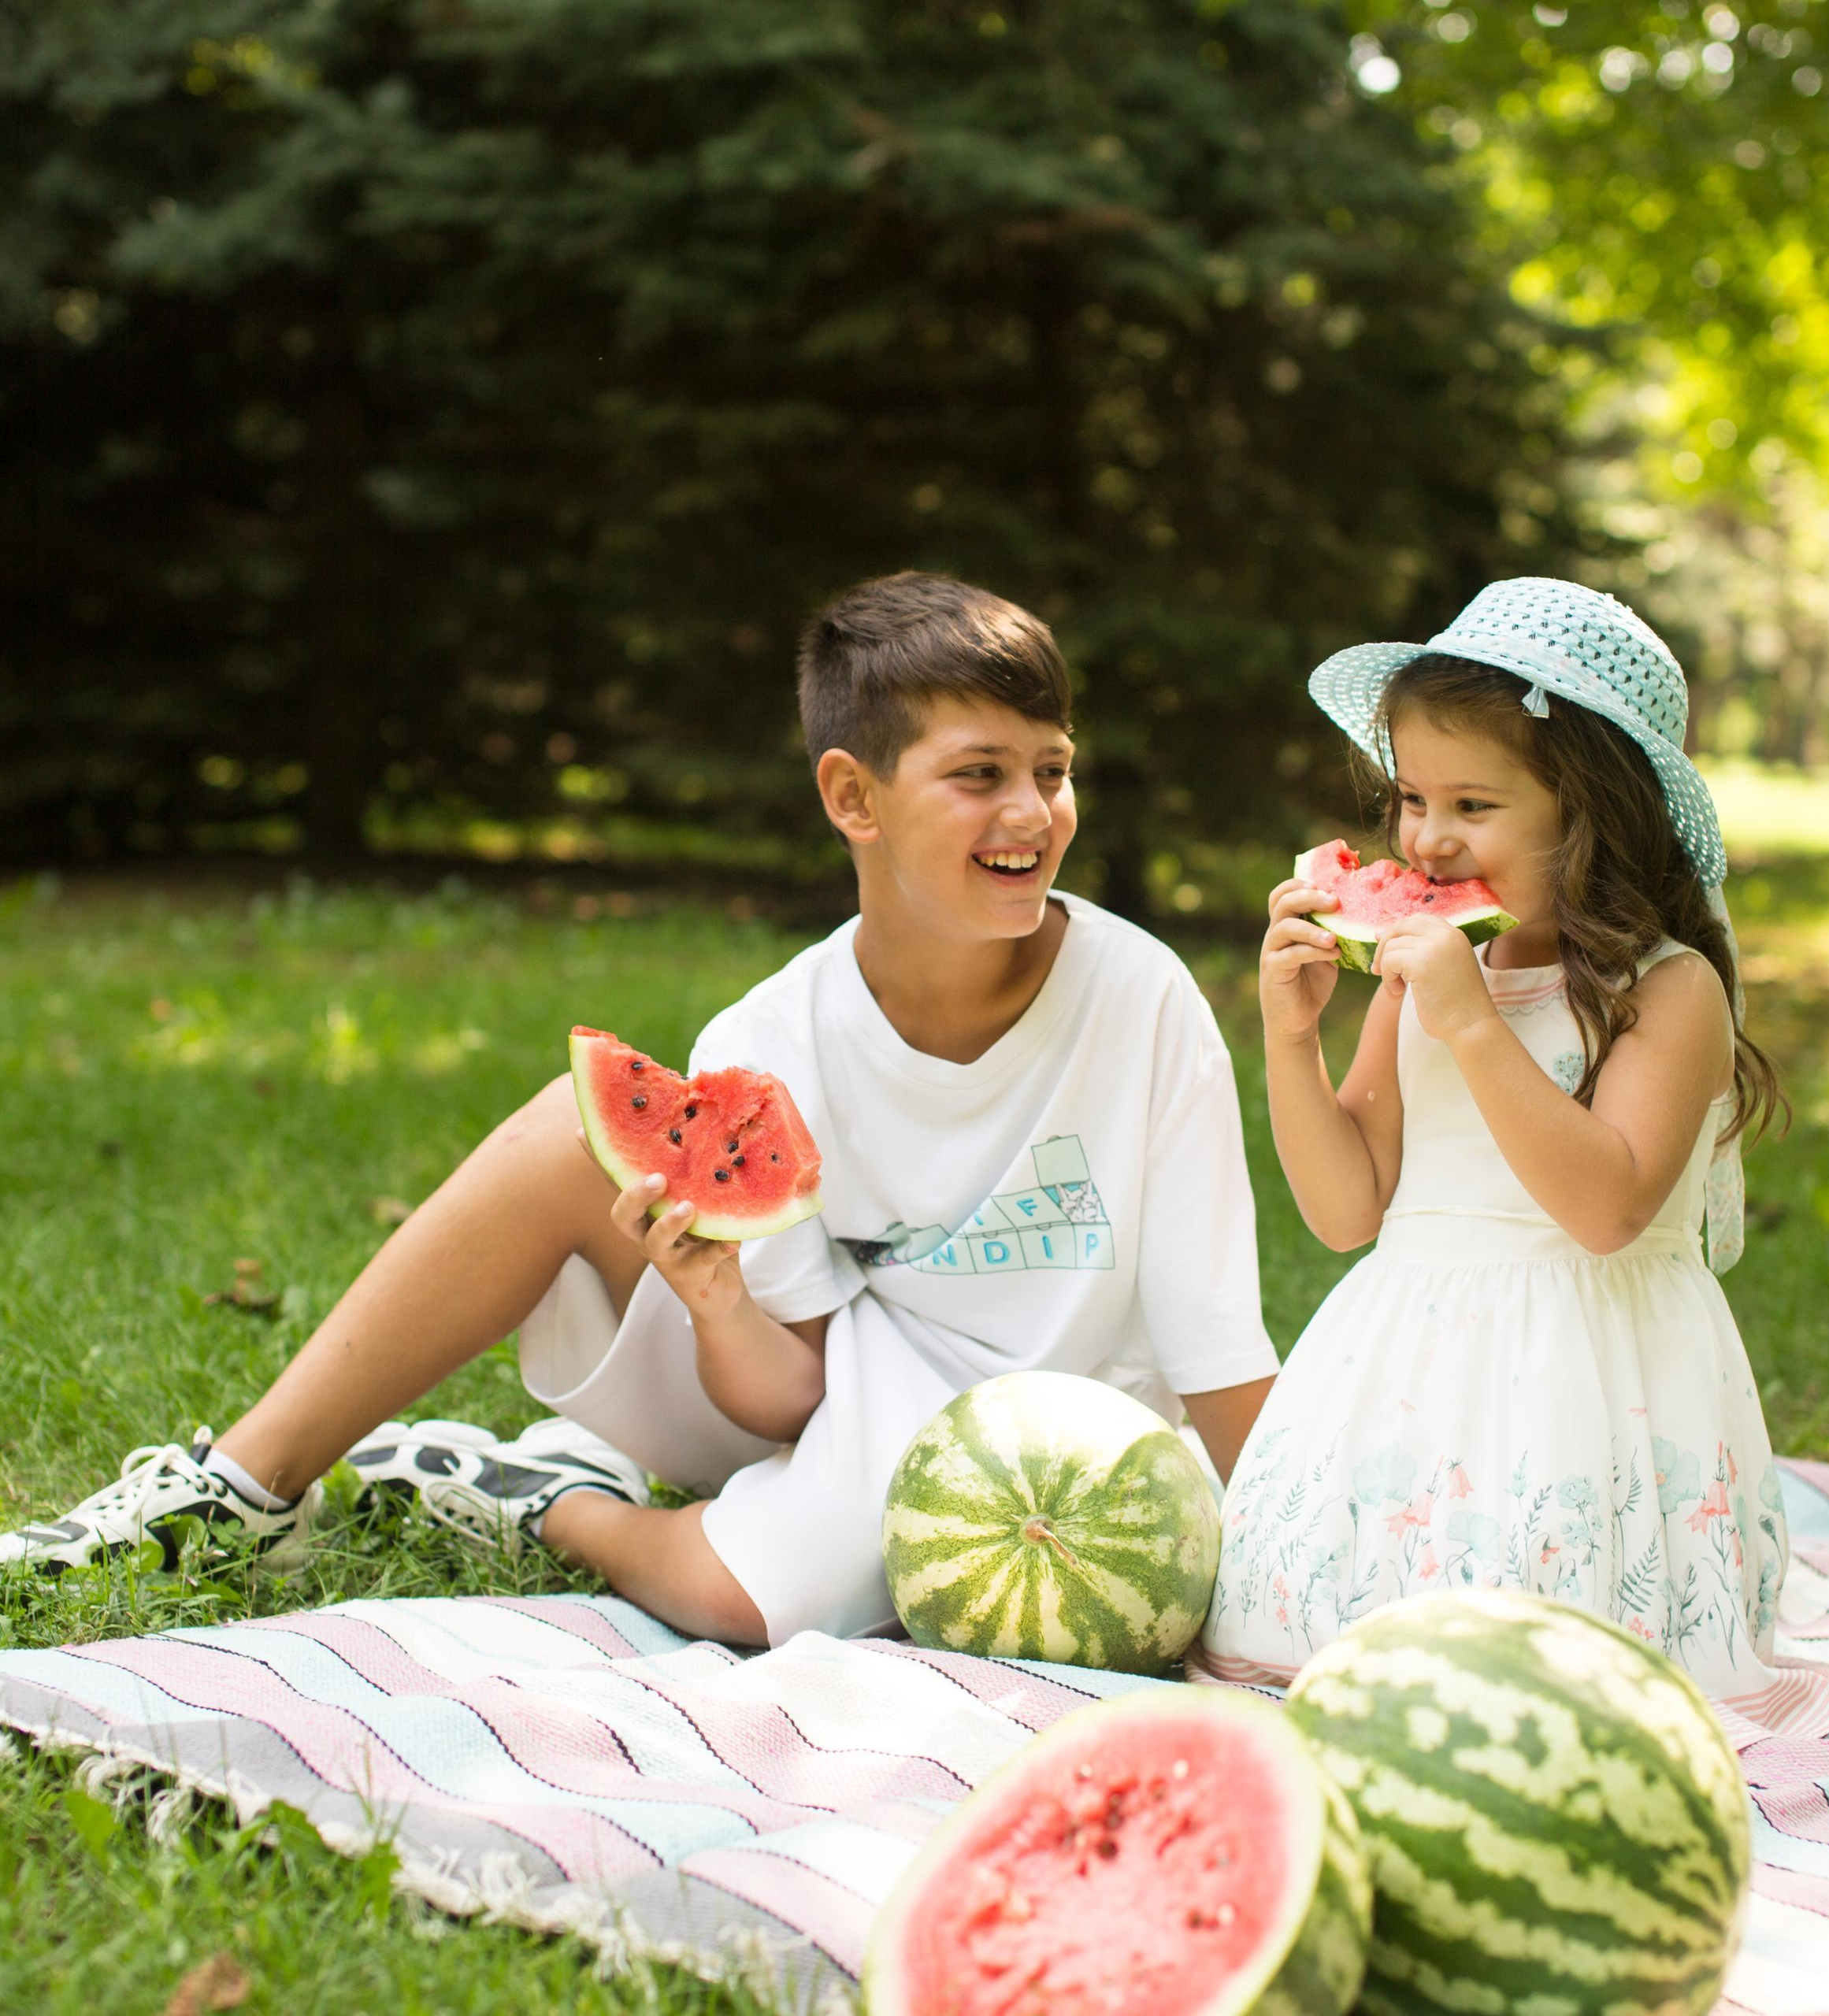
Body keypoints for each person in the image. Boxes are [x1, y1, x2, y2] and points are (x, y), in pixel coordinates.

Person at [2, 573, 1278, 1647]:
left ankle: (543, 1498)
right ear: (854, 799)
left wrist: (1294, 1573)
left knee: (733, 1599)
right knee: (570, 1123)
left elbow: (1215, 1341)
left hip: (1067, 1434)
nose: (1031, 813)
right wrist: (717, 1297)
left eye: (1052, 771)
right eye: (980, 772)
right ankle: (236, 1486)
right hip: (850, 1385)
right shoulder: (767, 1041)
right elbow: (795, 1395)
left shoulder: (1144, 996)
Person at [1195, 576, 1805, 1714]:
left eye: (1475, 805)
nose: (1426, 839)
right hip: (1408, 1359)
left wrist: (1473, 1021)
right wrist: (1291, 1039)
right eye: (1410, 798)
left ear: (1593, 813)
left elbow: (1608, 1207)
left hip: (1591, 1372)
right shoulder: (1421, 974)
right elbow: (1345, 1213)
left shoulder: (1666, 994)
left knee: (1546, 1674)